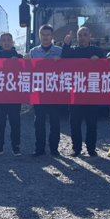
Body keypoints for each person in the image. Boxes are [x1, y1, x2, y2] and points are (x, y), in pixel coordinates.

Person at [62, 26, 105, 157]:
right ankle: (76, 148)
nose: (82, 38)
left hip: (92, 93)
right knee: (75, 123)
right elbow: (64, 58)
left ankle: (91, 148)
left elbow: (106, 66)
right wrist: (66, 44)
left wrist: (99, 60)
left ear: (89, 36)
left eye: (85, 35)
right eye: (80, 35)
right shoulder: (73, 51)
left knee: (92, 123)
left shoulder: (97, 51)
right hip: (76, 93)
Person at [23, 24, 62, 157]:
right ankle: (39, 148)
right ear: (39, 36)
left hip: (55, 92)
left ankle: (54, 148)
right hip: (39, 92)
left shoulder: (60, 51)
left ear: (52, 36)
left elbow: (67, 68)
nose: (45, 37)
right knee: (39, 121)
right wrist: (26, 60)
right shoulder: (33, 52)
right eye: (43, 35)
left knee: (55, 121)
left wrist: (61, 61)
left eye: (48, 35)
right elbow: (27, 70)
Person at [0, 32, 23, 156]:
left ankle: (16, 146)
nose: (6, 42)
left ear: (12, 42)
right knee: (0, 121)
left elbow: (26, 72)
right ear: (0, 42)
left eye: (8, 40)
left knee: (15, 121)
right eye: (3, 40)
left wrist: (20, 62)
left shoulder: (19, 57)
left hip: (14, 95)